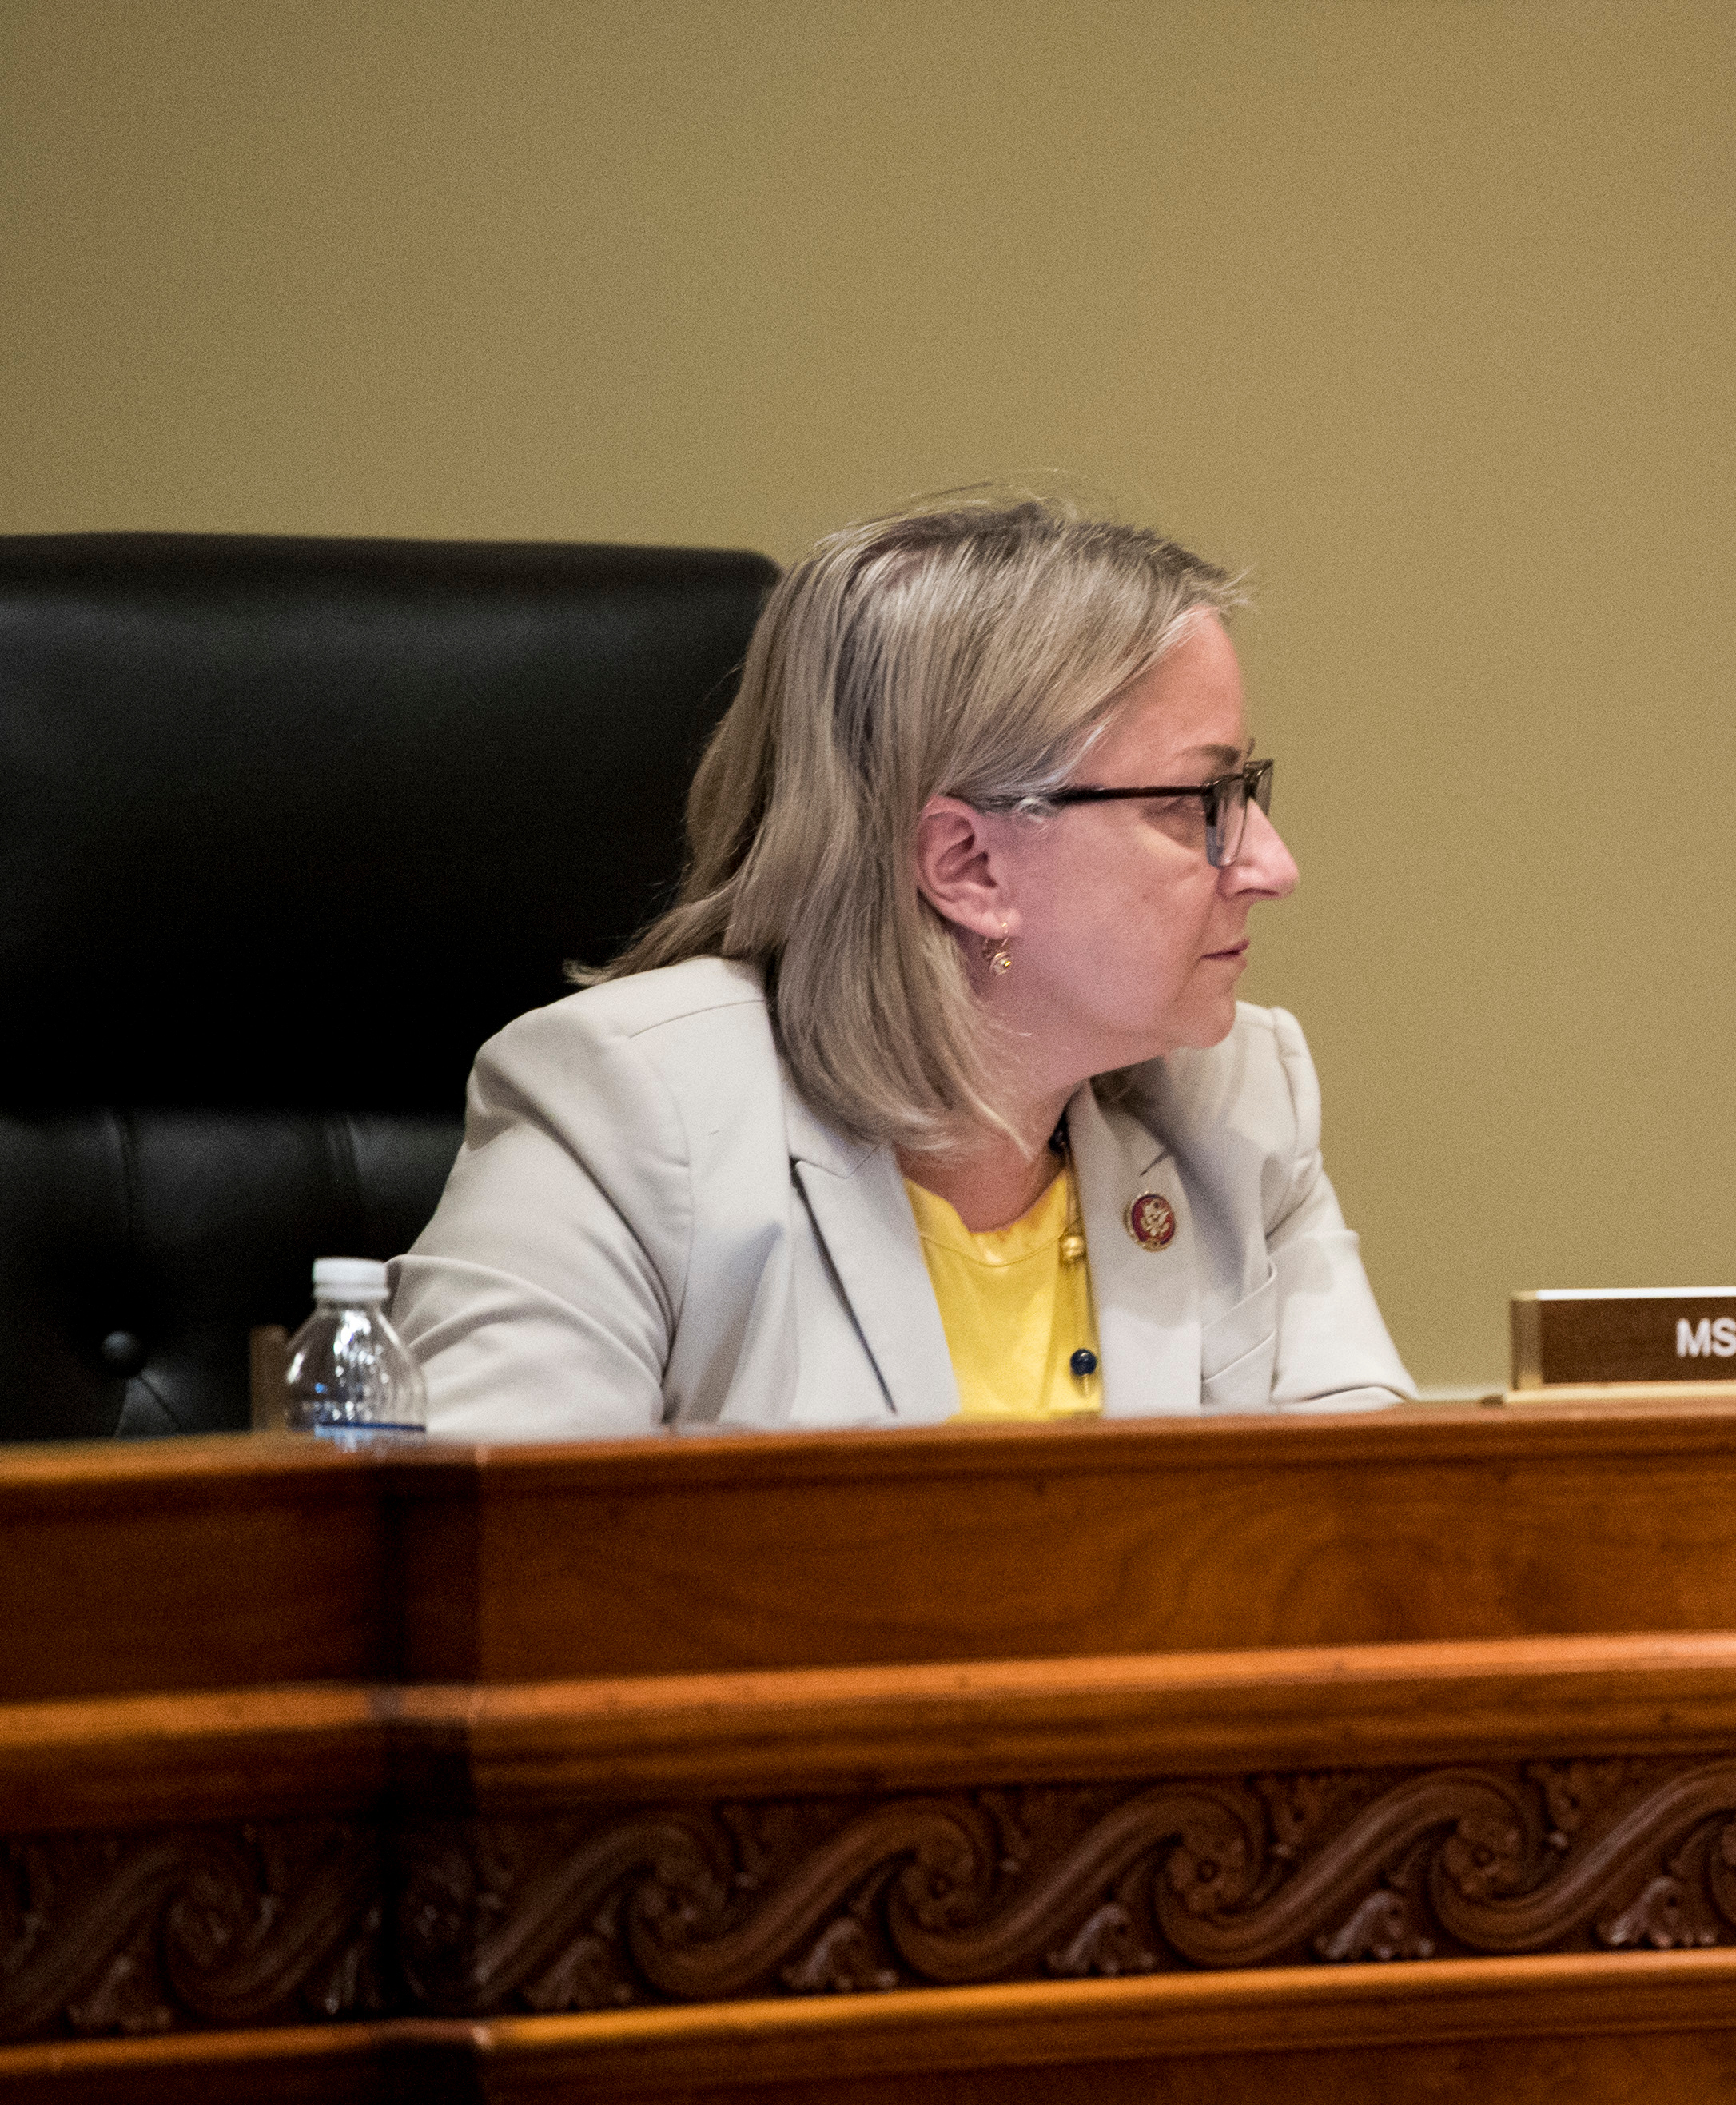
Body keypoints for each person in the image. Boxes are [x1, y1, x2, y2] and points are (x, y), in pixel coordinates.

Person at [393, 493, 1412, 1437]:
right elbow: (492, 1577)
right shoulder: (630, 1115)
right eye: (1197, 805)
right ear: (969, 865)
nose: (1272, 865)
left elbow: (1380, 1539)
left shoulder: (1240, 1108)